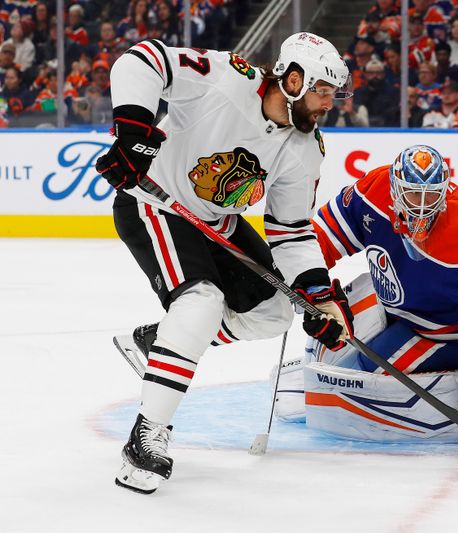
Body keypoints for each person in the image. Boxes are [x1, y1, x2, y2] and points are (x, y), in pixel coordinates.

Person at [96, 33, 355, 494]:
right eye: (321, 91)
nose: (328, 104)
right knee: (201, 303)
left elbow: (291, 230)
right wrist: (133, 133)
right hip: (157, 202)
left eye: (333, 94)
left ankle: (160, 342)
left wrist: (319, 298)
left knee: (274, 311)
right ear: (293, 80)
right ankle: (145, 439)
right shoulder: (226, 79)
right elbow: (140, 60)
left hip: (218, 220)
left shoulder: (306, 148)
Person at [275, 145, 458, 442]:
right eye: (415, 193)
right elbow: (324, 233)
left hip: (444, 333)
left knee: (353, 382)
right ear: (395, 186)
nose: (422, 206)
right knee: (334, 332)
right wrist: (303, 280)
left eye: (431, 195)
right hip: (395, 303)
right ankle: (316, 377)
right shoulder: (372, 192)